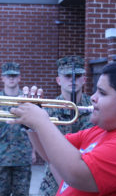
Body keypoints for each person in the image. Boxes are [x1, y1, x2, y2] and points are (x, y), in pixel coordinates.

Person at [8, 61, 116, 195]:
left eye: (102, 93)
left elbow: (77, 174)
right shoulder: (105, 128)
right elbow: (51, 153)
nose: (93, 98)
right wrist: (31, 126)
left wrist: (42, 121)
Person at [39, 56, 93, 196]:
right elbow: (47, 152)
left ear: (84, 79)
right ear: (58, 80)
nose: (73, 80)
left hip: (89, 176)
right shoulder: (49, 108)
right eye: (68, 76)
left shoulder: (95, 107)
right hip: (55, 179)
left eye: (77, 75)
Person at [0, 62, 36, 196]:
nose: (11, 78)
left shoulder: (28, 100)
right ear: (2, 78)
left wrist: (34, 151)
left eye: (14, 75)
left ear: (19, 78)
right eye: (8, 76)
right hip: (0, 158)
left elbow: (35, 127)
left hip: (23, 157)